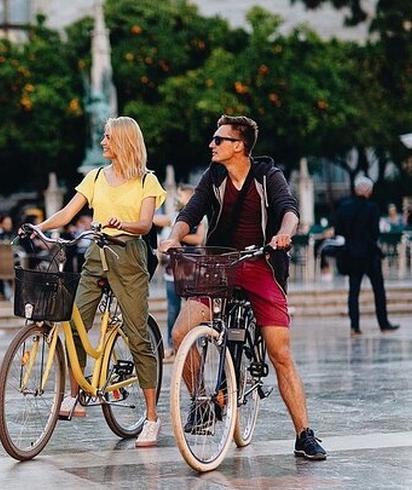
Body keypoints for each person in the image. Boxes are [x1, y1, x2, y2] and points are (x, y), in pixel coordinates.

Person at [158, 114, 328, 460]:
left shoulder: (268, 176)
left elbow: (289, 211)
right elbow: (190, 212)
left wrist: (284, 234)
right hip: (219, 265)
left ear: (239, 145)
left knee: (279, 351)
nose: (212, 144)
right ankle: (202, 403)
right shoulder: (213, 176)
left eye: (219, 140)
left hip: (261, 264)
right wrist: (173, 238)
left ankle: (304, 434)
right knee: (180, 333)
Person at [29, 116, 166, 448]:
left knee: (137, 336)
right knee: (74, 321)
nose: (102, 143)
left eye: (107, 138)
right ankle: (75, 397)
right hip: (97, 255)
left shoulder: (147, 181)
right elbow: (66, 214)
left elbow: (146, 224)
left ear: (122, 141)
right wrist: (40, 229)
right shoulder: (94, 177)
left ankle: (151, 418)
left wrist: (126, 224)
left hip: (129, 257)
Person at [333, 176, 399, 337]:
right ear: (369, 191)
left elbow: (338, 231)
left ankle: (354, 327)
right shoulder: (372, 208)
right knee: (378, 289)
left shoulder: (344, 207)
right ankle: (383, 324)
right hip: (369, 254)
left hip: (352, 254)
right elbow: (375, 233)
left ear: (355, 189)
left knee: (353, 291)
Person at [152, 184, 205, 361]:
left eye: (182, 195)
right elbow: (159, 220)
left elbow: (198, 239)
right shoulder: (175, 216)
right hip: (172, 270)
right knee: (172, 309)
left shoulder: (200, 218)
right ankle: (171, 346)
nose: (178, 199)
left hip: (191, 269)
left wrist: (177, 235)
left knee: (192, 308)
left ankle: (194, 343)